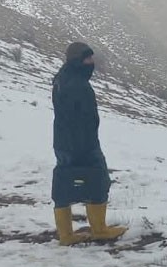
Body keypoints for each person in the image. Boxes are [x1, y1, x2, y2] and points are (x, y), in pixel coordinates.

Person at [52, 42, 127, 245]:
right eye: (87, 58)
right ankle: (100, 230)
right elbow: (84, 119)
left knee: (63, 183)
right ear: (78, 60)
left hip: (61, 141)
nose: (91, 62)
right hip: (83, 143)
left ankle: (66, 235)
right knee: (98, 180)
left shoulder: (61, 78)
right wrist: (86, 143)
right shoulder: (79, 85)